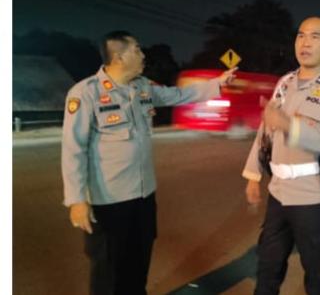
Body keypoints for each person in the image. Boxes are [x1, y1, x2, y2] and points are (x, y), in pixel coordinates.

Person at [61, 30, 237, 295]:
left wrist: (217, 84)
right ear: (119, 57)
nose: (143, 55)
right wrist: (76, 200)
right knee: (108, 271)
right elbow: (73, 148)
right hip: (109, 201)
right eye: (137, 50)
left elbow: (178, 95)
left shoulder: (142, 87)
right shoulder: (86, 93)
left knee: (138, 262)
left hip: (143, 197)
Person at [242, 16, 320, 295]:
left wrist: (290, 126)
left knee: (318, 274)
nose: (305, 42)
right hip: (278, 193)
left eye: (315, 37)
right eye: (301, 35)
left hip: (314, 198)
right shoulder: (284, 83)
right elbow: (266, 130)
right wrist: (253, 175)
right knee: (267, 267)